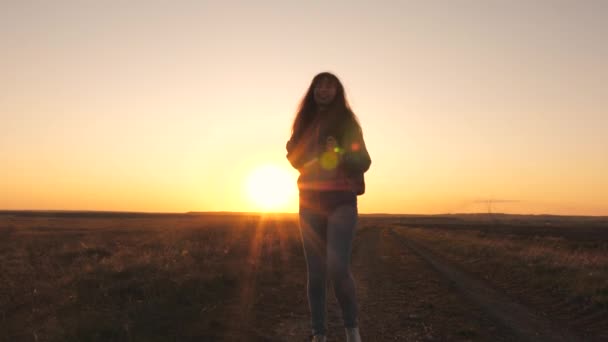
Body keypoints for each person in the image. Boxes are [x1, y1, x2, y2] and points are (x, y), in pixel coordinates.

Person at [286, 72, 371, 342]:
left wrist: (340, 153)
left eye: (329, 86)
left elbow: (364, 160)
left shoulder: (347, 122)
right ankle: (319, 334)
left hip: (341, 201)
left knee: (337, 267)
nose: (323, 91)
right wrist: (292, 151)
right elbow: (298, 159)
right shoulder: (304, 122)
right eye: (319, 86)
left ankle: (352, 330)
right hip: (310, 202)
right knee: (316, 273)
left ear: (337, 92)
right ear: (313, 91)